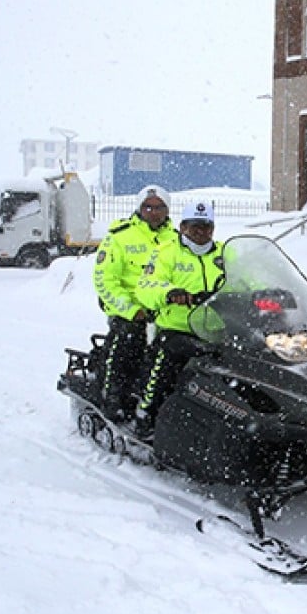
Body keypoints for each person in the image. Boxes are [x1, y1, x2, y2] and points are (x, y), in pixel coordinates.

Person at [132, 201, 225, 439]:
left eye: (207, 227)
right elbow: (146, 286)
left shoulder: (225, 253)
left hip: (219, 330)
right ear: (183, 227)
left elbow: (248, 278)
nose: (201, 233)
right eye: (195, 227)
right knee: (168, 358)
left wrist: (269, 292)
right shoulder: (166, 252)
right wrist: (170, 293)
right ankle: (147, 413)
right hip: (179, 328)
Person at [92, 185, 177, 421]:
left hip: (165, 309)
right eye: (148, 206)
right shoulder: (121, 236)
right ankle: (113, 397)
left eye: (160, 207)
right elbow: (105, 280)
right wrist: (131, 310)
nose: (154, 212)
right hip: (130, 310)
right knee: (129, 341)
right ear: (139, 208)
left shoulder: (177, 239)